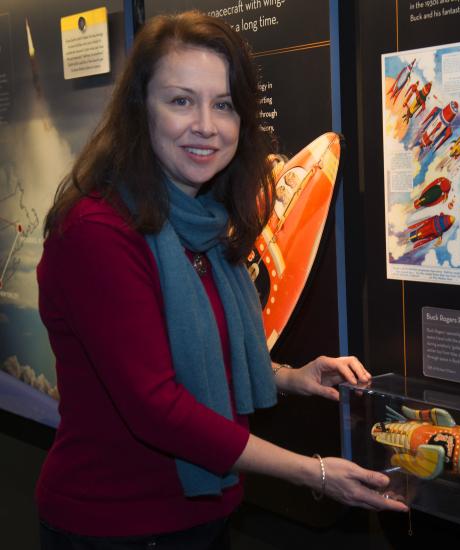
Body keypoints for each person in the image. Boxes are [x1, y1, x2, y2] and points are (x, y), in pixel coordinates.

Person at [36, 11, 407, 549]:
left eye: (224, 104)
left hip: (204, 513)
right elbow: (157, 408)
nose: (206, 125)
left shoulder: (204, 219)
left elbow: (197, 348)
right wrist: (316, 473)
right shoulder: (96, 232)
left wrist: (287, 376)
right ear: (141, 112)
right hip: (115, 526)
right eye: (181, 100)